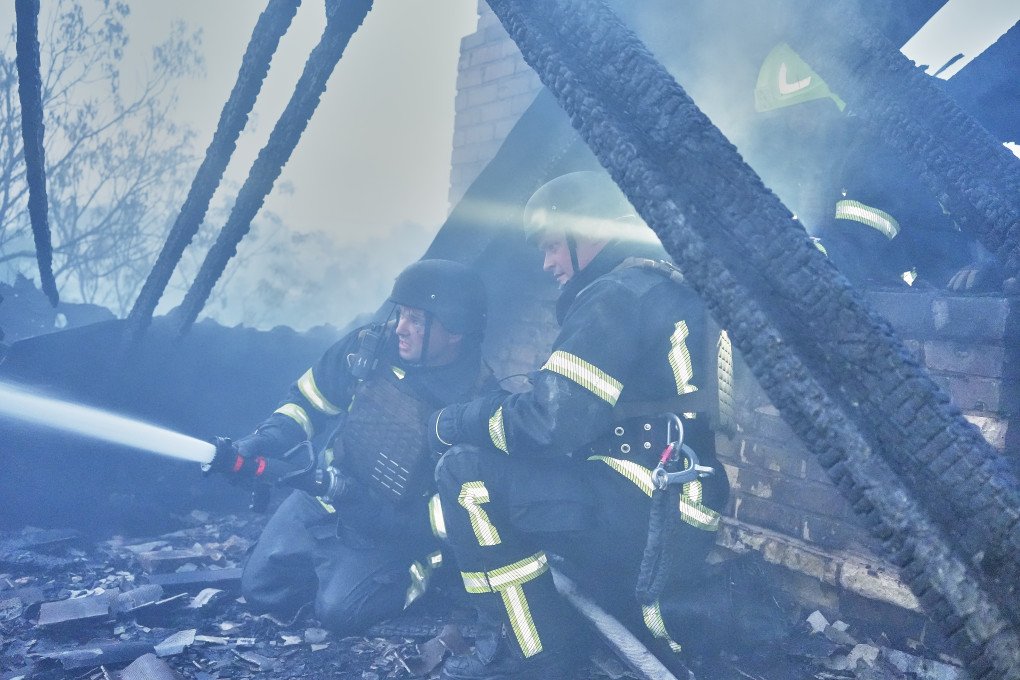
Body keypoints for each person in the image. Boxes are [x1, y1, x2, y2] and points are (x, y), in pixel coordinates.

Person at [429, 171, 730, 679]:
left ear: (588, 230)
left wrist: (463, 418)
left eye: (551, 246)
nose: (547, 263)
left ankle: (543, 661)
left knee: (465, 477)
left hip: (644, 504)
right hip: (677, 499)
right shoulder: (661, 282)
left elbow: (549, 426)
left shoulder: (616, 293)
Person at [223, 259, 494, 635]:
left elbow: (460, 511)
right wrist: (266, 438)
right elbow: (308, 402)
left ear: (456, 329)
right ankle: (332, 567)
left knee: (340, 615)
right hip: (325, 497)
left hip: (390, 532)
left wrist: (388, 522)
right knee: (261, 591)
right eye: (400, 313)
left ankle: (416, 574)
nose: (400, 328)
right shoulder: (370, 349)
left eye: (417, 320)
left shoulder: (477, 403)